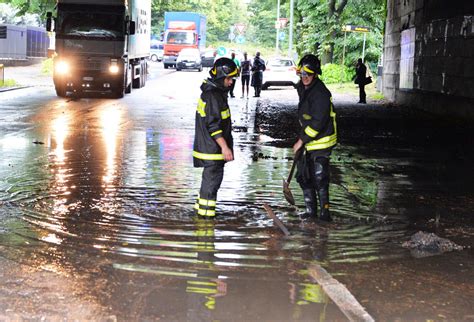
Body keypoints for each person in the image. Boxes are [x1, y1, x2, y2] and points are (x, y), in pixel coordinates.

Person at [293, 54, 337, 222]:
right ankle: (310, 212)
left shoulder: (320, 93)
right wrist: (303, 140)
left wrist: (301, 140)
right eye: (302, 74)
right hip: (308, 141)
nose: (304, 78)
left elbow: (318, 122)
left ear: (316, 74)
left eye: (308, 75)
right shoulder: (304, 88)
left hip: (322, 141)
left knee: (319, 177)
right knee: (305, 175)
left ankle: (325, 215)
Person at [193, 57, 238, 218]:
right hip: (212, 150)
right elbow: (213, 125)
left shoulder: (214, 93)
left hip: (210, 149)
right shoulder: (213, 96)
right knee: (211, 186)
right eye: (229, 78)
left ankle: (201, 216)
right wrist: (225, 147)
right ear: (220, 76)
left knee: (208, 186)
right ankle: (205, 226)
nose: (231, 82)